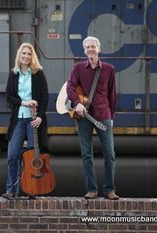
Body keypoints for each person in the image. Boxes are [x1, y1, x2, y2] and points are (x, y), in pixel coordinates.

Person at [66, 36, 119, 200]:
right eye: (87, 47)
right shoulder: (78, 68)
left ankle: (109, 190)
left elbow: (112, 95)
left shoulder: (109, 69)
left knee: (109, 154)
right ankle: (91, 190)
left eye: (93, 47)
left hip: (103, 116)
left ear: (99, 49)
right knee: (86, 154)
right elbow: (70, 86)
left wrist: (112, 117)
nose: (90, 50)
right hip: (84, 117)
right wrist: (76, 103)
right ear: (84, 50)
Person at [2, 42, 49, 199]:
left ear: (32, 57)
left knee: (32, 156)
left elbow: (44, 97)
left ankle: (32, 190)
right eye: (24, 54)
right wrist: (24, 102)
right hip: (18, 119)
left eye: (29, 54)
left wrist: (40, 116)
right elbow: (9, 97)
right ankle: (11, 190)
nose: (26, 56)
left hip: (33, 120)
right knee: (12, 155)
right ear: (19, 56)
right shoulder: (13, 73)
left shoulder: (38, 73)